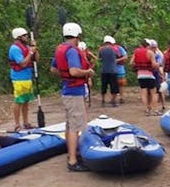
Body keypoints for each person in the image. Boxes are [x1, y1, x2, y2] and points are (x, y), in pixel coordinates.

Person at [51, 22, 94, 172]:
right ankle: (73, 160)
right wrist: (87, 72)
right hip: (74, 92)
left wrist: (65, 77)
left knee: (70, 125)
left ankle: (72, 154)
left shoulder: (60, 49)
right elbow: (75, 71)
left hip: (67, 89)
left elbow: (53, 69)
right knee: (75, 126)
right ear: (77, 35)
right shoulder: (72, 51)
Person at [8, 27, 39, 131]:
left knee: (26, 101)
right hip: (19, 78)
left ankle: (26, 122)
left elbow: (36, 59)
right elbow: (23, 63)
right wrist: (30, 52)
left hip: (27, 77)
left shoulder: (26, 47)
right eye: (25, 36)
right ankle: (17, 124)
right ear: (19, 37)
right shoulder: (14, 49)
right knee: (19, 101)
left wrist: (35, 49)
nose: (27, 37)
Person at [130, 39, 159, 116]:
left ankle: (146, 110)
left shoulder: (136, 52)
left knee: (144, 93)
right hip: (149, 75)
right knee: (154, 93)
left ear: (141, 45)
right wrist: (158, 64)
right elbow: (153, 65)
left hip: (140, 75)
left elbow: (131, 63)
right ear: (148, 45)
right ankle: (155, 110)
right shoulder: (150, 52)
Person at [98, 36, 120, 107]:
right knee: (114, 86)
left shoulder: (101, 49)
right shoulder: (115, 49)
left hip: (104, 70)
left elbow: (100, 58)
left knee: (104, 86)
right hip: (113, 70)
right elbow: (118, 56)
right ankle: (113, 101)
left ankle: (103, 101)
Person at [114, 39, 128, 104]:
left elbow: (125, 57)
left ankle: (121, 97)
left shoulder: (119, 48)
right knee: (115, 84)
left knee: (120, 84)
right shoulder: (118, 48)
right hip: (115, 69)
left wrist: (117, 60)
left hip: (119, 69)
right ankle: (116, 98)